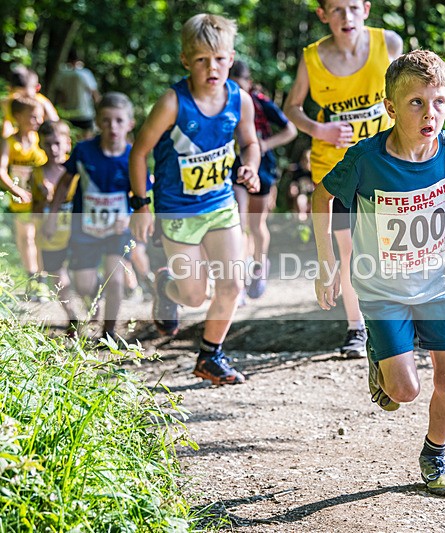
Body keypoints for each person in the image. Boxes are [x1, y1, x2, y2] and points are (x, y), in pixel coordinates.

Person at [311, 50, 445, 496]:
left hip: (438, 284)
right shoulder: (367, 158)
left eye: (439, 102)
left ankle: (435, 454)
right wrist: (326, 263)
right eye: (416, 102)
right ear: (391, 108)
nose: (430, 113)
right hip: (381, 289)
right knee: (405, 392)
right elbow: (322, 198)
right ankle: (381, 356)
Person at [129, 13, 261, 386]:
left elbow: (251, 143)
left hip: (220, 206)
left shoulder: (240, 100)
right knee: (193, 295)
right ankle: (165, 287)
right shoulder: (173, 102)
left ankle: (210, 356)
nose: (212, 68)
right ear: (186, 60)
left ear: (230, 58)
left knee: (232, 284)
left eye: (219, 59)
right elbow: (139, 152)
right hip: (178, 211)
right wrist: (141, 204)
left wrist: (249, 166)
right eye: (201, 60)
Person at [284, 0, 402, 357]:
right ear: (323, 15)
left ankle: (398, 319)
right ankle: (356, 328)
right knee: (348, 248)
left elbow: (414, 91)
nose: (345, 16)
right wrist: (318, 128)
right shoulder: (311, 57)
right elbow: (291, 108)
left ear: (365, 8)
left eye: (352, 7)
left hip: (386, 165)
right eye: (335, 9)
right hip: (336, 172)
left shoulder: (390, 45)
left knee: (393, 246)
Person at [44, 92, 138, 342]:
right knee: (84, 286)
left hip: (118, 229)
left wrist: (131, 219)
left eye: (119, 120)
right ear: (97, 121)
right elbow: (65, 183)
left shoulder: (133, 156)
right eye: (106, 120)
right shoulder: (84, 150)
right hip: (85, 228)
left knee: (116, 280)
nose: (112, 127)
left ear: (130, 123)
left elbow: (142, 195)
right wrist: (52, 216)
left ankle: (109, 332)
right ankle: (96, 290)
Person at [228, 60, 297, 300]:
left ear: (248, 83)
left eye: (239, 85)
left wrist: (265, 144)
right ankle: (240, 276)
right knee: (238, 222)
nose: (234, 90)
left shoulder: (260, 102)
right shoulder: (220, 103)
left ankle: (259, 267)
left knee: (256, 225)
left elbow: (290, 130)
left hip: (262, 167)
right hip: (233, 168)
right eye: (230, 84)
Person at [33, 120, 80, 334]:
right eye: (48, 144)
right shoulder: (37, 174)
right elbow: (33, 208)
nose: (53, 149)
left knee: (81, 274)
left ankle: (94, 310)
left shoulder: (78, 171)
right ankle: (72, 317)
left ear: (67, 144)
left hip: (76, 232)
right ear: (41, 145)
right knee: (58, 277)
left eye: (57, 143)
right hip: (50, 235)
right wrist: (44, 200)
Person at [0, 95, 47, 296]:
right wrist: (15, 189)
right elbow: (1, 170)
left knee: (40, 239)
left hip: (41, 201)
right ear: (18, 117)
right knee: (26, 238)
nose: (38, 121)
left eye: (39, 117)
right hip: (21, 201)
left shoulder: (40, 140)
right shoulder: (9, 143)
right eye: (33, 117)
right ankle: (34, 280)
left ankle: (43, 279)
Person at [52, 50, 101, 138]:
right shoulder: (85, 73)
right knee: (87, 142)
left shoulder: (63, 74)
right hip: (85, 113)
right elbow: (95, 94)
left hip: (69, 114)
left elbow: (61, 96)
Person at [2, 65, 60, 139]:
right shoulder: (8, 102)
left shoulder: (42, 103)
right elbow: (7, 128)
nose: (23, 101)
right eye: (18, 97)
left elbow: (56, 128)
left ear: (37, 88)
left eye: (27, 96)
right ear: (10, 89)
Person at [285, 148, 314, 221]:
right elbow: (294, 183)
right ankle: (301, 221)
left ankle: (310, 223)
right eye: (304, 160)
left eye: (308, 161)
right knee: (300, 200)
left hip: (313, 195)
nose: (306, 163)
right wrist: (293, 187)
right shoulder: (298, 171)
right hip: (302, 194)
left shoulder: (314, 173)